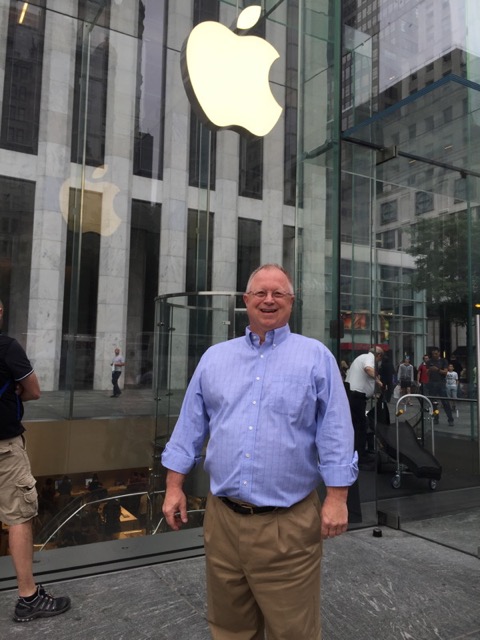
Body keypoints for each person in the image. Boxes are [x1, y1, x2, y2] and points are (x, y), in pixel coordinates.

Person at [161, 264, 358, 640]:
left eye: (278, 294)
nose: (269, 300)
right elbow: (189, 426)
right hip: (222, 521)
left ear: (291, 302)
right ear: (246, 301)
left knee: (293, 631)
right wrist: (174, 486)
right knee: (229, 628)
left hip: (288, 524)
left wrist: (337, 498)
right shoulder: (215, 358)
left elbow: (336, 431)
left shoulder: (316, 357)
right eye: (260, 293)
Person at [0, 299, 70, 622]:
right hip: (4, 447)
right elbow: (34, 391)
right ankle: (28, 598)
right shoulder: (7, 347)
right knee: (19, 515)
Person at [345, 346, 384, 465]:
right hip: (357, 397)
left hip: (355, 396)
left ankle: (359, 452)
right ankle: (360, 455)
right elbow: (368, 369)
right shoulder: (369, 357)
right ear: (378, 356)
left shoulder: (361, 358)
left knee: (359, 425)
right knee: (360, 426)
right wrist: (378, 380)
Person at [427, 348, 454, 426]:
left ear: (439, 353)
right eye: (433, 354)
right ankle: (436, 418)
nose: (434, 355)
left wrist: (437, 370)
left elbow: (445, 372)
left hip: (441, 383)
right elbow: (427, 373)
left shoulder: (443, 361)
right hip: (432, 383)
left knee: (445, 402)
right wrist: (429, 371)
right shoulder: (429, 361)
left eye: (436, 353)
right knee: (433, 403)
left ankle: (450, 419)